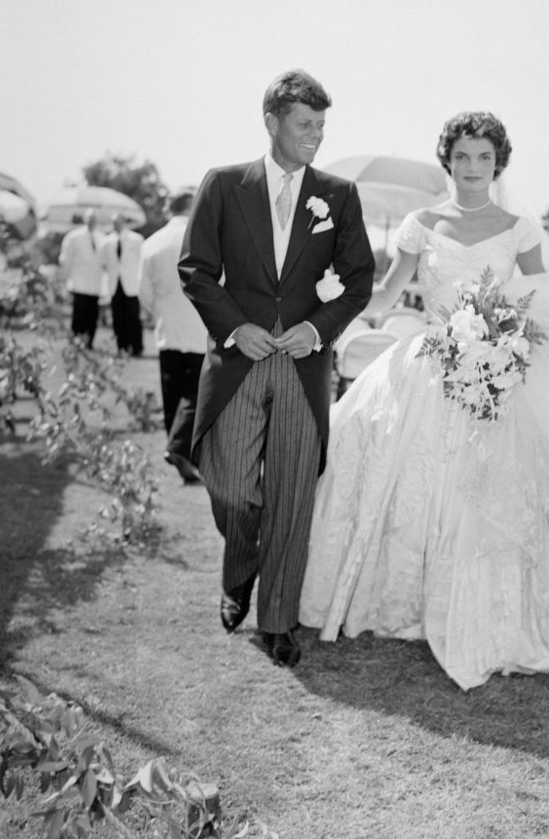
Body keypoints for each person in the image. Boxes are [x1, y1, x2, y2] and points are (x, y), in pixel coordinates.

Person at [299, 111, 549, 690]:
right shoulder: (421, 223)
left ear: (499, 163)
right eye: (464, 156)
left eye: (485, 158)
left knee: (492, 488)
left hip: (496, 369)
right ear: (447, 159)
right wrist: (324, 296)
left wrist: (505, 337)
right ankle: (403, 600)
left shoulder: (519, 228)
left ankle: (492, 609)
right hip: (428, 364)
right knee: (394, 469)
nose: (473, 168)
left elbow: (545, 299)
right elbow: (388, 291)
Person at [178, 68, 375, 667]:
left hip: (304, 365)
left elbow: (360, 279)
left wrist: (316, 329)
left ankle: (279, 620)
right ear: (272, 122)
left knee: (292, 494)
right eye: (303, 124)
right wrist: (238, 327)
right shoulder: (222, 184)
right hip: (239, 360)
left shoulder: (338, 195)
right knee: (232, 485)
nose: (315, 135)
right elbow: (196, 270)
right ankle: (240, 568)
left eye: (321, 125)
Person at [138, 190, 208, 485]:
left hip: (167, 330)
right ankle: (183, 451)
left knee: (173, 394)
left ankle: (176, 448)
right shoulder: (205, 237)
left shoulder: (152, 242)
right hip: (200, 326)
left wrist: (160, 312)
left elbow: (143, 292)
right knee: (196, 393)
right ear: (192, 207)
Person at [58, 209, 106, 348]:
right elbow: (65, 259)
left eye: (94, 219)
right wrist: (66, 279)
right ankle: (76, 340)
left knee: (92, 315)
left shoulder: (102, 237)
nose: (92, 222)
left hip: (95, 283)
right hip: (79, 282)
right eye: (89, 218)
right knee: (79, 314)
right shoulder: (74, 237)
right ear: (85, 219)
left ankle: (89, 341)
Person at [105, 214, 144, 356]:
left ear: (124, 222)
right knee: (118, 318)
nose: (116, 225)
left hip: (131, 284)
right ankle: (122, 347)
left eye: (118, 222)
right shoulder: (108, 241)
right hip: (115, 284)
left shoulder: (136, 239)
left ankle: (137, 347)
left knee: (133, 317)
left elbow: (142, 261)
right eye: (114, 222)